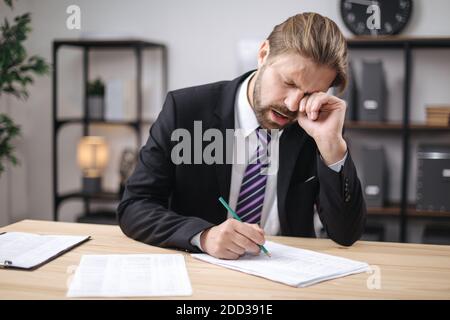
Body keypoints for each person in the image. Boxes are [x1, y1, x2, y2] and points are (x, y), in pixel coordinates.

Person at [117, 12, 366, 260]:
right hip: (201, 269)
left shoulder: (317, 125)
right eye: (289, 82)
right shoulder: (185, 111)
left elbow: (345, 234)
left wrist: (332, 146)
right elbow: (135, 206)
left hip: (288, 275)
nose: (292, 105)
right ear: (263, 54)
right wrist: (203, 236)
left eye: (310, 93)